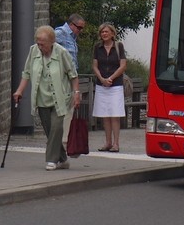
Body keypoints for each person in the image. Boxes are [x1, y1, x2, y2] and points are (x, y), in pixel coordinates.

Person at [13, 25, 80, 170]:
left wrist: (76, 93)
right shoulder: (33, 51)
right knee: (50, 132)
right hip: (41, 98)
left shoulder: (62, 53)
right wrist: (19, 91)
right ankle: (63, 159)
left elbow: (73, 75)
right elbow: (26, 73)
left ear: (52, 42)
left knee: (56, 129)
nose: (40, 46)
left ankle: (51, 160)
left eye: (42, 44)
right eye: (38, 43)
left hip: (60, 98)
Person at [92, 23, 127, 152]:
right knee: (105, 114)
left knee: (115, 114)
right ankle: (108, 142)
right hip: (102, 84)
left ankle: (116, 143)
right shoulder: (97, 47)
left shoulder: (119, 46)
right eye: (102, 32)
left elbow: (123, 65)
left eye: (106, 32)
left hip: (115, 85)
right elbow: (95, 65)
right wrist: (101, 78)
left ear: (112, 33)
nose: (104, 34)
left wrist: (111, 78)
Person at [53, 13, 85, 152]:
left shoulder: (72, 38)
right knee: (63, 113)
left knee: (70, 110)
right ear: (71, 24)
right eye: (79, 28)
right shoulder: (59, 33)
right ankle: (61, 144)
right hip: (61, 78)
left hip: (72, 78)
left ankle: (65, 143)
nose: (80, 31)